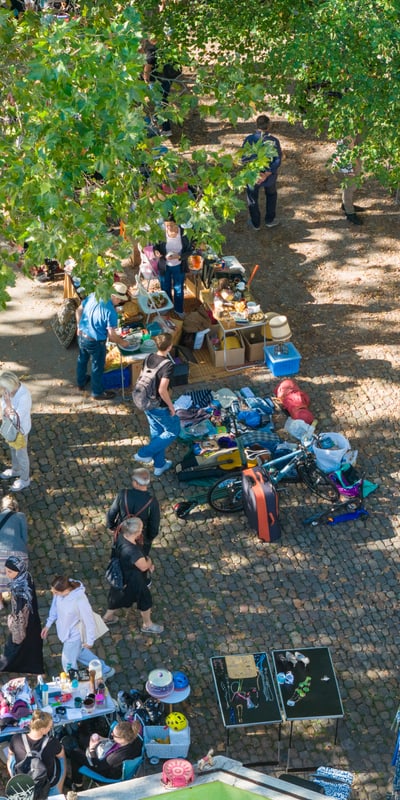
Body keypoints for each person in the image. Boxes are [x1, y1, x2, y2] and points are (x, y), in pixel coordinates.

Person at [41, 576, 115, 679]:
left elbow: (89, 622)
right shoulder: (59, 592)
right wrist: (48, 625)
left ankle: (74, 683)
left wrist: (90, 641)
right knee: (80, 653)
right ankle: (105, 669)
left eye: (56, 593)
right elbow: (55, 608)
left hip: (74, 635)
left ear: (66, 590)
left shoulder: (80, 601)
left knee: (68, 664)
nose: (54, 595)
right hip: (65, 632)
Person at [103, 518, 163, 634]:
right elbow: (144, 566)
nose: (142, 530)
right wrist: (149, 561)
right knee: (145, 599)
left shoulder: (121, 536)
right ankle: (147, 625)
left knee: (119, 597)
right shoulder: (133, 551)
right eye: (141, 528)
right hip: (133, 578)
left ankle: (107, 618)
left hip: (121, 574)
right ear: (136, 532)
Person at [133, 332, 180, 477]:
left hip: (145, 401)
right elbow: (162, 390)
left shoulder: (148, 357)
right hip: (158, 405)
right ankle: (143, 453)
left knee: (157, 433)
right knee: (173, 431)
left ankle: (159, 465)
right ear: (170, 346)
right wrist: (171, 407)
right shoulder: (168, 366)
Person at [76, 282, 130, 400]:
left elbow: (78, 310)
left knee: (82, 360)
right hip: (95, 341)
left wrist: (78, 326)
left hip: (81, 335)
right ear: (114, 296)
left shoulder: (94, 295)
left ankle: (81, 382)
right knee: (97, 366)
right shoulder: (111, 312)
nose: (120, 302)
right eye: (120, 300)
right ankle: (97, 392)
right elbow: (111, 336)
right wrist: (123, 342)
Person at [68, 720, 142, 790]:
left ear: (123, 739)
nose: (112, 734)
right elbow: (115, 741)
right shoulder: (134, 738)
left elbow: (97, 766)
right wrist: (104, 739)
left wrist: (92, 748)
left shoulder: (118, 756)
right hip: (119, 767)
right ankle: (77, 781)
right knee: (85, 742)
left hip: (108, 774)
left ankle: (78, 786)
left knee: (75, 754)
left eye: (114, 735)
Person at [0, 556, 44, 674]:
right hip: (32, 620)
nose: (7, 574)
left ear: (18, 571)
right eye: (6, 570)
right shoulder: (26, 577)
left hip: (23, 624)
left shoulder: (19, 590)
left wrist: (11, 622)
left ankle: (7, 664)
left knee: (14, 647)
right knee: (31, 645)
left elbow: (20, 615)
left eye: (10, 571)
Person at [8, 710, 65, 795]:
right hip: (45, 781)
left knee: (12, 757)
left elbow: (10, 754)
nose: (50, 728)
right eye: (50, 726)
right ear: (43, 729)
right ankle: (57, 788)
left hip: (23, 781)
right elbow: (61, 756)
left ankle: (14, 778)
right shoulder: (52, 742)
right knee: (61, 758)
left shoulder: (16, 739)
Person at [106, 468, 160, 556]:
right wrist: (147, 539)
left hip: (122, 532)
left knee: (117, 555)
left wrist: (112, 526)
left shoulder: (123, 494)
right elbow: (154, 526)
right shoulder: (152, 502)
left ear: (135, 482)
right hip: (140, 537)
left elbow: (112, 513)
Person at [241, 114, 282, 230]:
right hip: (270, 177)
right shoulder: (273, 141)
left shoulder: (249, 139)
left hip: (253, 176)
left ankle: (255, 223)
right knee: (271, 195)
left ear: (256, 125)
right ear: (269, 126)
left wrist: (257, 173)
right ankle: (270, 219)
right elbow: (277, 160)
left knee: (252, 198)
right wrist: (267, 173)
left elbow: (243, 159)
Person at [0, 370, 32, 492]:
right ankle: (16, 469)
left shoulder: (24, 396)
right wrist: (6, 405)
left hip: (20, 431)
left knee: (21, 455)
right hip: (10, 429)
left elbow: (16, 418)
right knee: (13, 450)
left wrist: (8, 405)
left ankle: (24, 479)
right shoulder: (9, 390)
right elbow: (3, 402)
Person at [154, 220, 193, 316]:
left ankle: (178, 309)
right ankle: (167, 307)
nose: (169, 228)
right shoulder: (161, 233)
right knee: (165, 286)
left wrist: (179, 256)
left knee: (178, 288)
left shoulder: (185, 233)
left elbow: (190, 251)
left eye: (171, 225)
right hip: (164, 265)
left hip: (179, 265)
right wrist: (156, 252)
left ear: (177, 224)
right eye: (166, 226)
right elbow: (155, 246)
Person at [0, 496, 28, 609]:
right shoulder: (21, 516)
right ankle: (17, 603)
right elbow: (24, 538)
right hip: (18, 553)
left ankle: (0, 603)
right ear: (16, 506)